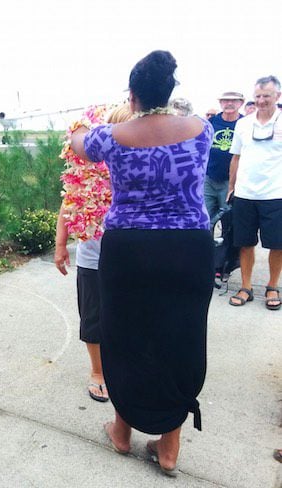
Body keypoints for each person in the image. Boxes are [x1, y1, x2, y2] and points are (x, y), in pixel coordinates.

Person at [70, 50, 214, 476]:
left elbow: (78, 144)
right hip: (188, 248)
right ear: (170, 92)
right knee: (181, 338)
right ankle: (169, 448)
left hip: (129, 250)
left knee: (126, 336)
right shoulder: (202, 129)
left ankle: (121, 432)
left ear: (131, 95)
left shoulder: (112, 136)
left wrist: (85, 125)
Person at [54, 103, 132, 404]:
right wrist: (61, 245)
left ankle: (123, 366)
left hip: (131, 257)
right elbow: (69, 204)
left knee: (127, 316)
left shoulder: (144, 167)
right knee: (94, 316)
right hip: (93, 255)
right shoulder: (89, 167)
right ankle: (98, 372)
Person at [227, 75, 282, 311]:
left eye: (266, 96)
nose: (260, 101)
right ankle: (246, 286)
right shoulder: (243, 124)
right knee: (245, 243)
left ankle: (272, 286)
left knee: (277, 244)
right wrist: (232, 187)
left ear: (277, 96)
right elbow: (236, 157)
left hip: (275, 193)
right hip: (245, 193)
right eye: (257, 96)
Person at [204, 91, 244, 224]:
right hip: (209, 179)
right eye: (226, 100)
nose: (229, 103)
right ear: (220, 103)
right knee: (205, 220)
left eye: (234, 100)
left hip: (232, 181)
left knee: (229, 221)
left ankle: (227, 245)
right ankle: (207, 245)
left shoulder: (245, 124)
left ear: (241, 103)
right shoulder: (210, 123)